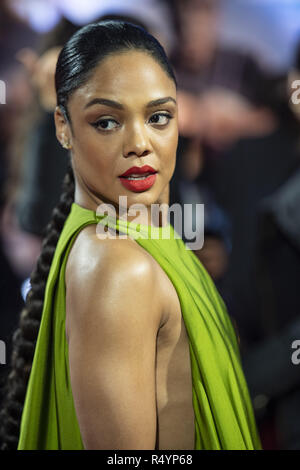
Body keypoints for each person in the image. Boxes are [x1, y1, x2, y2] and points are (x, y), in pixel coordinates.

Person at [0, 21, 261, 450]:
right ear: (63, 128)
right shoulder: (117, 268)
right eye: (107, 122)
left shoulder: (141, 237)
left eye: (159, 117)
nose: (140, 142)